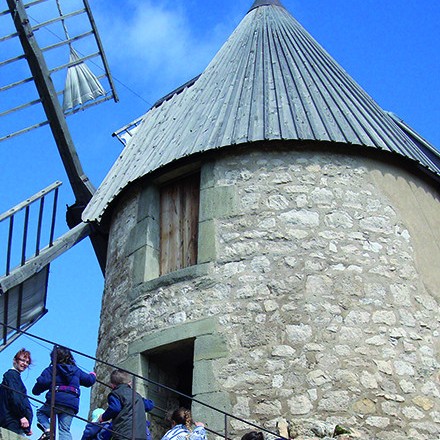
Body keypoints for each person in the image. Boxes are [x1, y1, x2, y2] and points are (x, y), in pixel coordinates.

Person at [32, 346, 96, 440]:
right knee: (64, 429)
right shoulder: (76, 370)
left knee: (41, 413)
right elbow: (89, 381)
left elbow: (42, 382)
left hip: (55, 400)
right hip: (71, 403)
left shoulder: (52, 369)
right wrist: (93, 375)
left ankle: (48, 430)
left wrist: (36, 391)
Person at [98, 369, 154, 440]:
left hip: (123, 435)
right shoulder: (136, 396)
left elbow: (115, 408)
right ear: (129, 383)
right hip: (140, 436)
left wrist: (103, 417)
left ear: (112, 385)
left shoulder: (115, 394)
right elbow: (149, 405)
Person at [0, 348, 33, 436]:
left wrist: (27, 427)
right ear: (15, 360)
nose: (25, 364)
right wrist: (22, 416)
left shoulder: (14, 376)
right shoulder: (11, 375)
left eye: (27, 362)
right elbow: (15, 397)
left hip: (15, 422)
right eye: (22, 360)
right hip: (12, 421)